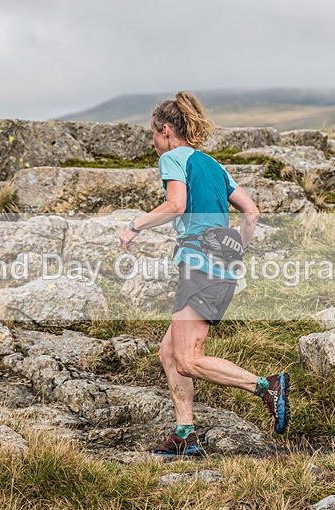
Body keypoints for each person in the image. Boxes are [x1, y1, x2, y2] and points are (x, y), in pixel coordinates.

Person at [117, 91, 290, 456]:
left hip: (199, 266)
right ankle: (185, 433)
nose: (153, 142)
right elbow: (251, 212)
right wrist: (237, 251)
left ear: (166, 130)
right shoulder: (213, 165)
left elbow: (176, 204)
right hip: (221, 266)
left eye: (153, 133)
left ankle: (265, 386)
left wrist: (135, 225)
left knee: (187, 359)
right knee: (169, 353)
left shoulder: (172, 158)